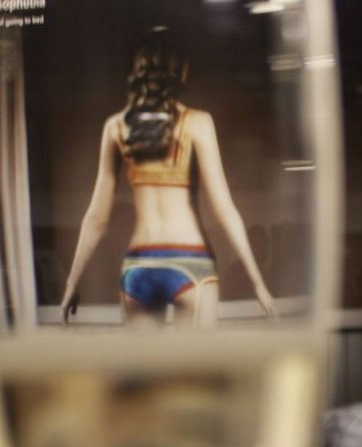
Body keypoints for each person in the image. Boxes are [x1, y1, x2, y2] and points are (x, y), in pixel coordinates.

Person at [60, 27, 276, 328]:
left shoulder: (116, 127)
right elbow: (224, 209)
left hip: (139, 265)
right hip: (190, 260)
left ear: (139, 72)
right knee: (196, 360)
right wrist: (258, 283)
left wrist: (72, 282)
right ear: (181, 72)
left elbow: (97, 217)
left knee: (146, 361)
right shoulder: (197, 123)